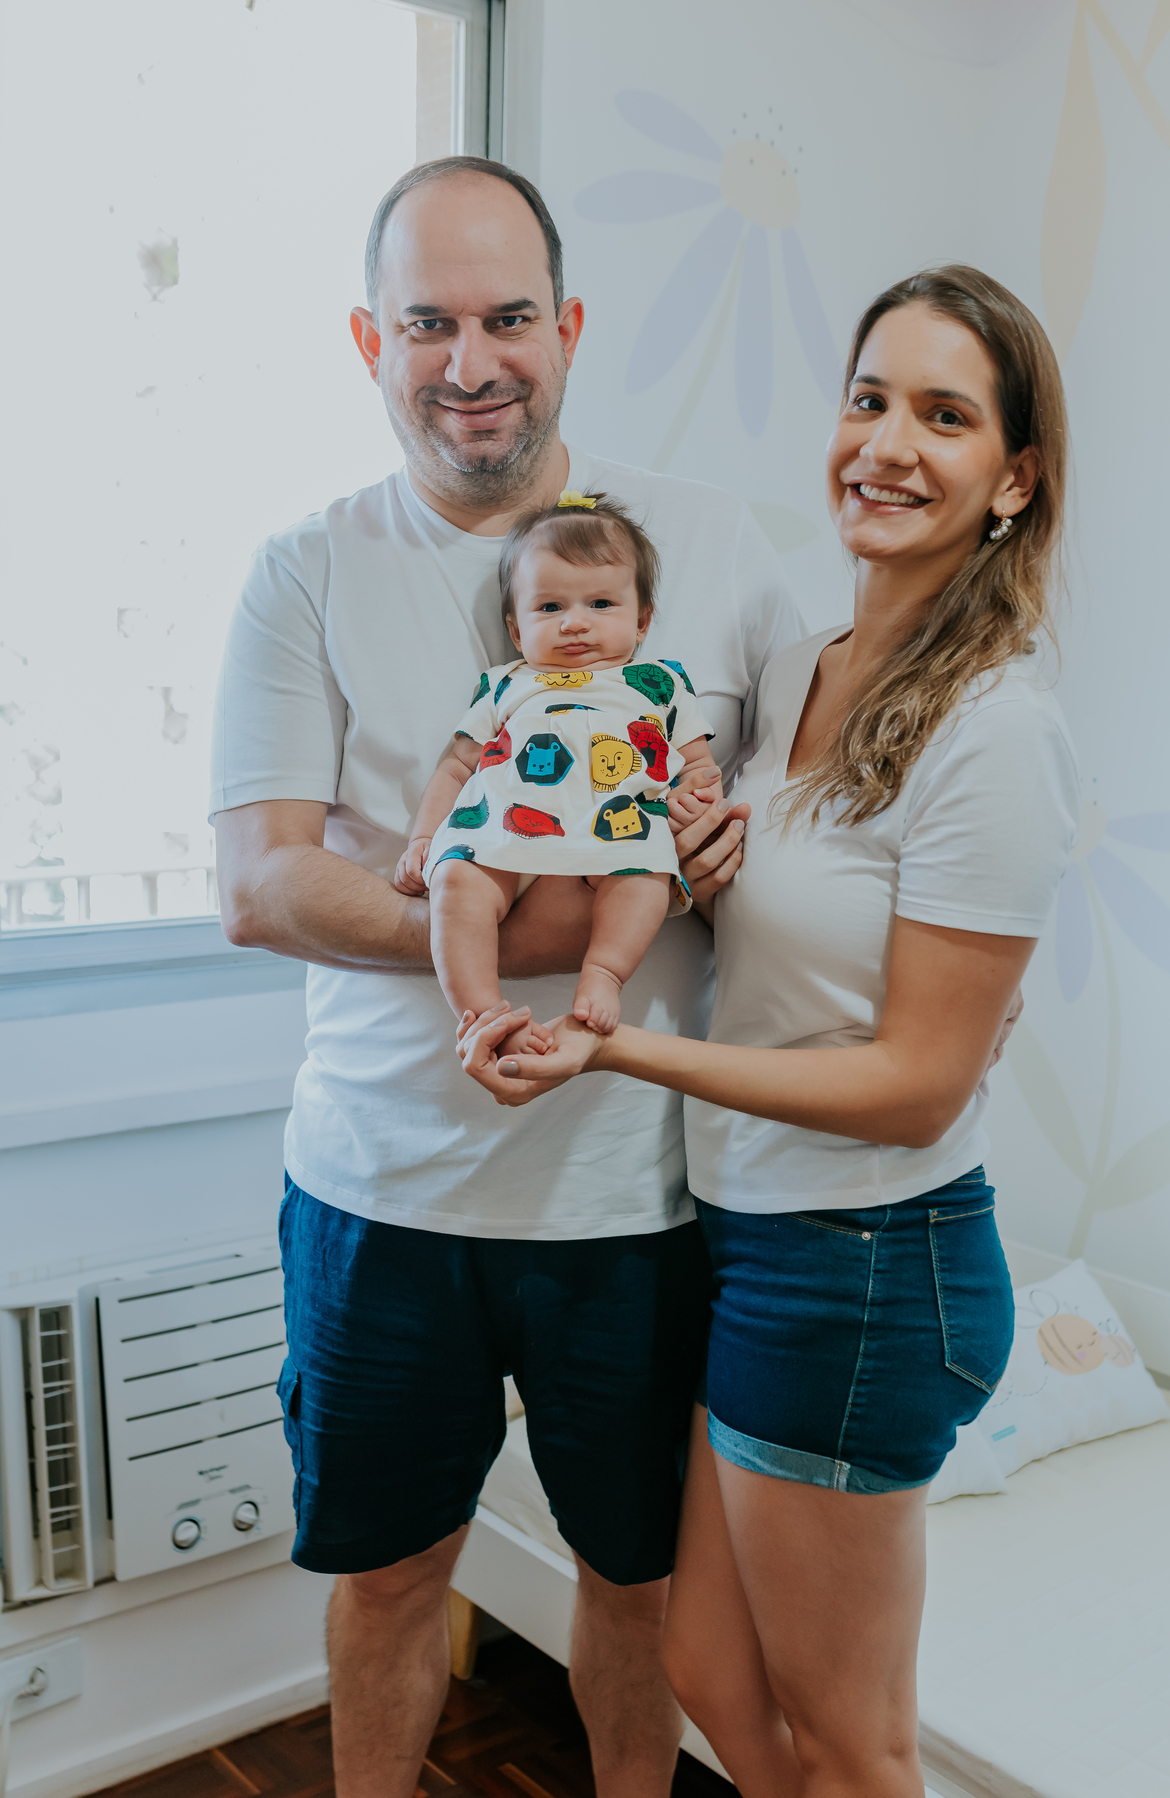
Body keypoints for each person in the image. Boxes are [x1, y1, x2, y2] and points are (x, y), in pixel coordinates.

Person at [211, 155, 803, 1798]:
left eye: (508, 318)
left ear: (571, 326)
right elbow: (261, 883)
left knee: (638, 1582)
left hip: (636, 1198)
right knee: (392, 1577)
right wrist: (541, 938)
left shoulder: (713, 545)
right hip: (381, 1191)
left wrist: (869, 915)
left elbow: (815, 805)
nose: (470, 362)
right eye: (427, 323)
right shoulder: (306, 567)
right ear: (370, 340)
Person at [459, 265, 1081, 1797]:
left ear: (1014, 478)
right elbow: (742, 894)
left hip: (864, 1263)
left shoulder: (996, 727)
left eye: (945, 415)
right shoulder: (803, 664)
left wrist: (616, 1045)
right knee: (706, 1666)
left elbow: (919, 1087)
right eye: (870, 398)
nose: (888, 442)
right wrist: (691, 847)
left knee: (855, 1743)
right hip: (750, 1238)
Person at [397, 491, 717, 1041]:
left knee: (649, 876)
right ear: (516, 630)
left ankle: (604, 973)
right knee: (455, 881)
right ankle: (482, 1012)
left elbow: (701, 767)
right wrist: (424, 837)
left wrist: (693, 795)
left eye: (601, 604)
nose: (574, 623)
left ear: (642, 620)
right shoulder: (506, 683)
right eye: (550, 608)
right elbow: (456, 768)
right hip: (504, 828)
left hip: (619, 828)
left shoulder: (660, 683)